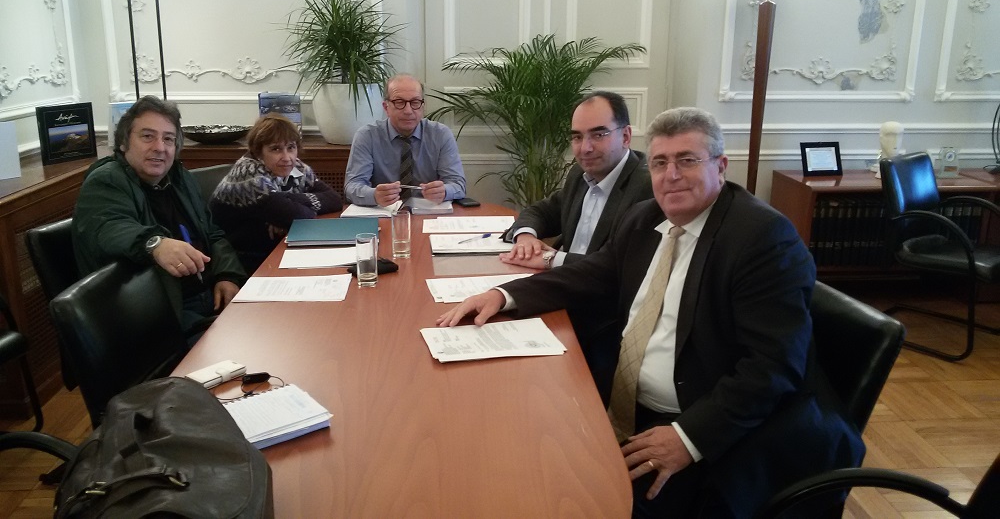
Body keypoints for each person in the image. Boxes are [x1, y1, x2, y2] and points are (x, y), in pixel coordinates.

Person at [437, 107, 864, 517]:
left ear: (720, 166)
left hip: (716, 428)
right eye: (660, 163)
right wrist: (503, 295)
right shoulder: (645, 218)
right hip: (630, 403)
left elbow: (772, 367)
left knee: (582, 500)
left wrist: (688, 438)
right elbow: (592, 275)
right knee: (516, 451)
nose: (670, 175)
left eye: (687, 160)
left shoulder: (763, 239)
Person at [72, 96, 247, 338]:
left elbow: (212, 233)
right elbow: (110, 228)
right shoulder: (106, 180)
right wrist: (155, 243)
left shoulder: (180, 178)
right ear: (123, 142)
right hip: (161, 316)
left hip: (210, 297)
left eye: (168, 139)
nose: (159, 147)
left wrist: (228, 275)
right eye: (147, 136)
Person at [501, 91, 652, 271]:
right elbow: (541, 212)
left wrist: (552, 260)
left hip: (599, 287)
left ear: (625, 136)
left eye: (598, 135)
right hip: (561, 280)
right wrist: (526, 237)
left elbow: (621, 264)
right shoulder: (580, 174)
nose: (585, 148)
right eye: (577, 137)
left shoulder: (646, 186)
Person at [209, 114, 343, 272]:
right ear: (258, 152)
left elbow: (334, 199)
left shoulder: (296, 168)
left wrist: (285, 203)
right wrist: (287, 213)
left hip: (273, 249)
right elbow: (298, 215)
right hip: (238, 262)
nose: (286, 157)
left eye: (291, 148)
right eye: (276, 149)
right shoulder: (248, 174)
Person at [344, 74, 466, 206]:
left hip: (429, 213)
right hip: (384, 212)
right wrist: (374, 195)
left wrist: (444, 191)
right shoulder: (367, 136)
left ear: (422, 106)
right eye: (399, 102)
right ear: (386, 107)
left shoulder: (441, 135)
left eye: (415, 102)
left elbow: (458, 185)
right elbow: (352, 186)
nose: (408, 111)